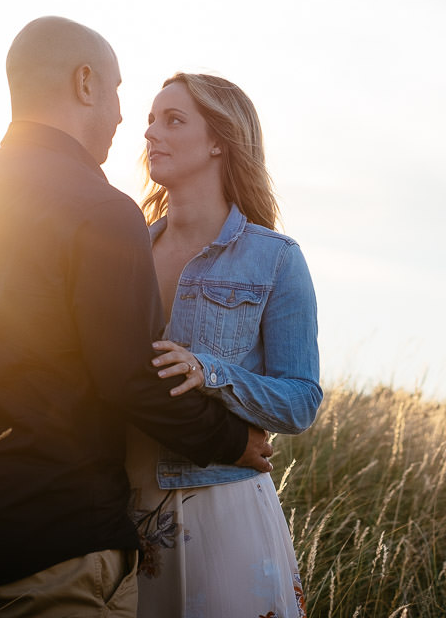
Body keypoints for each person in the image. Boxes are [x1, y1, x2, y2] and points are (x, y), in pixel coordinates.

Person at [0, 18, 274, 618]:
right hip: (55, 542)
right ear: (84, 83)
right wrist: (231, 440)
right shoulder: (101, 208)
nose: (126, 117)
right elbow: (129, 374)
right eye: (118, 91)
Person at [127, 72, 322, 617]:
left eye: (172, 120)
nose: (150, 133)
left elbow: (302, 399)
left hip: (222, 509)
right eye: (149, 120)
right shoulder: (125, 248)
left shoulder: (276, 259)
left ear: (219, 140)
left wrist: (210, 371)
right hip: (118, 506)